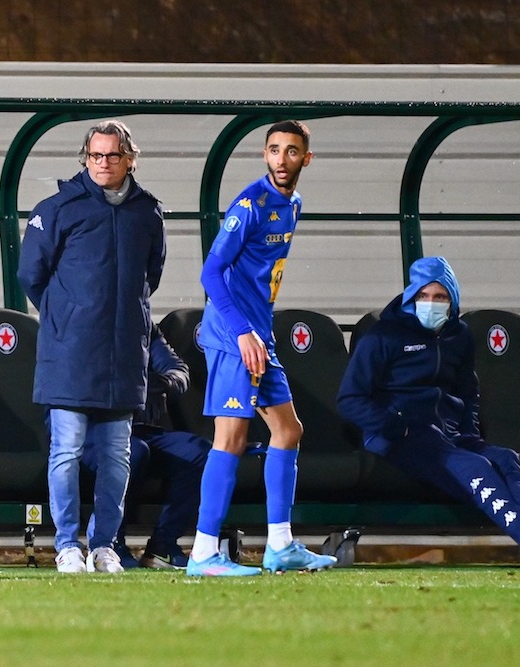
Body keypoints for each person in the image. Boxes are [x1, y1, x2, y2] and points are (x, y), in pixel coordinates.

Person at [337, 256, 520, 570]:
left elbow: (468, 391)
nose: (430, 303)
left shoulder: (460, 336)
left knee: (505, 457)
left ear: (452, 300)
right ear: (410, 296)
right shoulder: (382, 336)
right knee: (474, 465)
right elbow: (350, 399)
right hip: (396, 436)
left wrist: (468, 430)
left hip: (448, 433)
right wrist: (396, 426)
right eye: (423, 296)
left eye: (440, 297)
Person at [187, 120, 337, 576]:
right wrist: (242, 333)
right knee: (230, 438)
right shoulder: (248, 205)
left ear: (305, 159)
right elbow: (211, 274)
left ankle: (280, 545)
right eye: (274, 150)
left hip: (259, 333)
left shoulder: (293, 204)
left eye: (292, 152)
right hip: (235, 336)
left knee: (288, 431)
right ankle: (203, 554)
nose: (281, 159)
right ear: (264, 155)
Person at [18, 120, 166, 574]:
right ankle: (66, 545)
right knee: (65, 452)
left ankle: (104, 546)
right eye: (96, 155)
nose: (104, 163)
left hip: (123, 357)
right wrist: (71, 316)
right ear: (85, 158)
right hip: (70, 355)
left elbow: (151, 276)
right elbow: (31, 276)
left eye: (113, 156)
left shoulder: (148, 213)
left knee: (117, 458)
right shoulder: (58, 209)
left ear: (129, 159)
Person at [81, 324, 211, 569]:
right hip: (93, 434)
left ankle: (163, 546)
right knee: (133, 451)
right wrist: (134, 386)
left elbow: (178, 371)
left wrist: (162, 383)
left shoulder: (144, 327)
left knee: (198, 452)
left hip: (141, 431)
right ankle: (110, 544)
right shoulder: (88, 321)